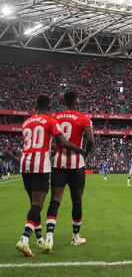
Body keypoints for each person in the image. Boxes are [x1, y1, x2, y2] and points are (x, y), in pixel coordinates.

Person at [16, 94, 85, 257]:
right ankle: (24, 239)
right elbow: (62, 142)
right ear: (49, 107)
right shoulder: (50, 120)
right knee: (38, 205)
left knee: (34, 204)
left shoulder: (26, 122)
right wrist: (80, 150)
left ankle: (40, 239)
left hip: (25, 164)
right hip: (41, 166)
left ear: (35, 106)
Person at [42, 91, 95, 254]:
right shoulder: (84, 118)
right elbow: (91, 140)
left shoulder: (55, 116)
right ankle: (75, 237)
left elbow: (51, 138)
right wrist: (85, 153)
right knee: (77, 201)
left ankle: (49, 237)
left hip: (58, 163)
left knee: (55, 200)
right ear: (75, 101)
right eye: (78, 99)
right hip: (76, 165)